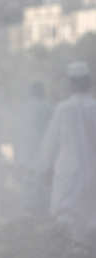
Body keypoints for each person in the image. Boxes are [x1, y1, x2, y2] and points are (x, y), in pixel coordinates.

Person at [38, 61, 96, 246]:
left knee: (66, 218)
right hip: (91, 172)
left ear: (71, 84)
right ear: (89, 82)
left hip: (68, 173)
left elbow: (50, 142)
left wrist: (44, 168)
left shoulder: (63, 109)